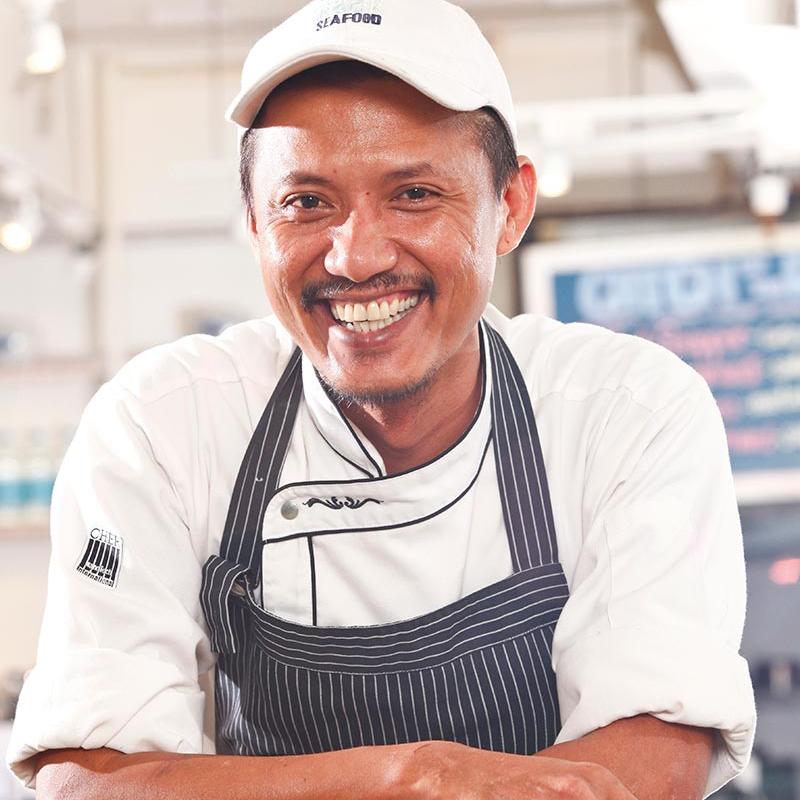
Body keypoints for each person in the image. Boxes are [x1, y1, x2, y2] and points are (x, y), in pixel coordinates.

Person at [7, 1, 755, 798]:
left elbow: (659, 751)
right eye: (306, 202)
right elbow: (89, 780)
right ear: (254, 224)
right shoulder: (163, 425)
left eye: (415, 194)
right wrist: (413, 775)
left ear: (510, 207)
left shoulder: (626, 412)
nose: (356, 257)